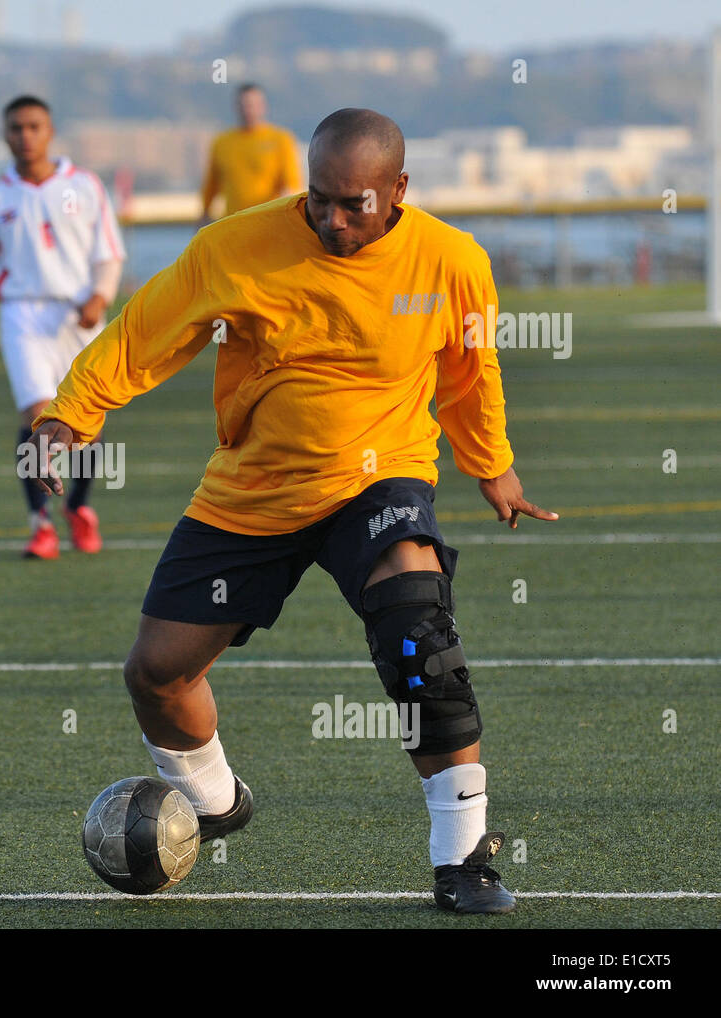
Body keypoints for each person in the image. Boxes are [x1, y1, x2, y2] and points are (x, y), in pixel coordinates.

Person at [32, 108, 559, 914]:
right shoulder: (235, 247)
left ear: (399, 191)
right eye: (320, 199)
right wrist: (74, 411)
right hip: (254, 488)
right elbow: (146, 331)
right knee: (158, 675)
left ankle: (464, 856)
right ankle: (213, 801)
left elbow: (469, 371)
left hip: (380, 480)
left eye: (356, 204)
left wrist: (493, 467)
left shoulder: (452, 260)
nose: (334, 219)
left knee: (419, 632)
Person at [0, 95, 125, 559]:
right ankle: (40, 522)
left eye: (34, 127)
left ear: (49, 131)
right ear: (5, 134)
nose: (25, 136)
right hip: (22, 314)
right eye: (16, 128)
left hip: (79, 313)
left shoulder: (85, 187)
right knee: (38, 415)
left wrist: (101, 296)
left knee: (87, 420)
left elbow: (108, 254)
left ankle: (80, 508)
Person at [199, 83, 303, 225]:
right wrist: (203, 218)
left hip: (268, 223)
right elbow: (211, 187)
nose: (247, 110)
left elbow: (291, 184)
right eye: (243, 104)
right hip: (232, 223)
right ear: (236, 107)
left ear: (263, 106)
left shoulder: (280, 140)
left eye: (252, 104)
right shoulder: (222, 142)